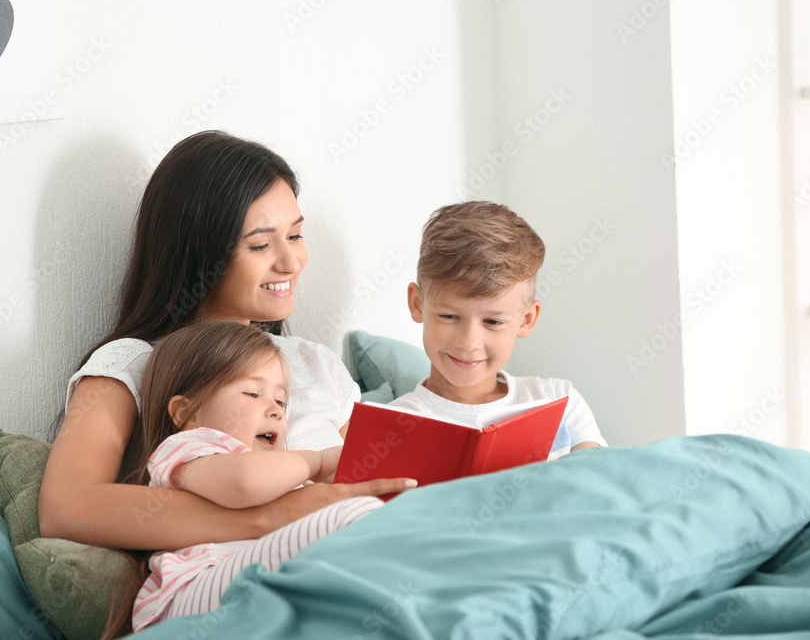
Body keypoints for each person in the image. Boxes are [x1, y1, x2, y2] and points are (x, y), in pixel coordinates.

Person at [38, 130, 413, 556]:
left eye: (294, 235)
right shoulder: (133, 363)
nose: (291, 262)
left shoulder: (316, 364)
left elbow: (372, 479)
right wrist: (266, 518)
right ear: (197, 252)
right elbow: (64, 509)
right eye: (260, 244)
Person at [126, 320, 383, 631]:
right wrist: (318, 461)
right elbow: (245, 482)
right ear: (187, 413)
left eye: (281, 400)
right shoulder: (188, 448)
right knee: (357, 516)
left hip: (254, 594)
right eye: (252, 393)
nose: (276, 410)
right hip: (189, 595)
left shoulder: (277, 470)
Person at [389, 201, 606, 458]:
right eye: (449, 316)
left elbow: (599, 483)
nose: (469, 342)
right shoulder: (392, 426)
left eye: (492, 322)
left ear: (526, 319)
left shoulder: (559, 400)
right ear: (417, 304)